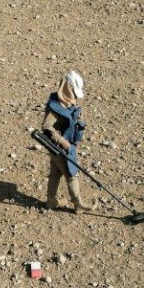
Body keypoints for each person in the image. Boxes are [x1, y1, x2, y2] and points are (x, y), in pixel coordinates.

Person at [41, 70, 96, 214]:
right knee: (72, 175)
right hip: (60, 148)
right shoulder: (55, 106)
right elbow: (46, 126)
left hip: (60, 147)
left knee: (55, 173)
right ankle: (78, 204)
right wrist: (63, 142)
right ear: (68, 87)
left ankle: (51, 201)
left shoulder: (66, 103)